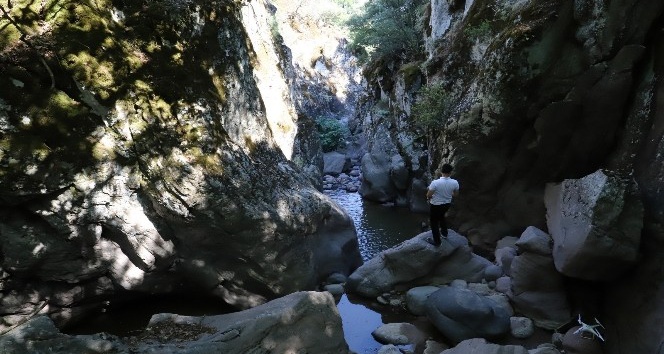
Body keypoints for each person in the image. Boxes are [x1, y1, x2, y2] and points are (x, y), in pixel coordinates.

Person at [426, 163, 459, 245]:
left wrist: (429, 199)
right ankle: (444, 234)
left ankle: (437, 242)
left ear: (441, 171)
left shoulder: (435, 182)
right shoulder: (455, 182)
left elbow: (429, 194)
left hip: (435, 205)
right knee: (441, 217)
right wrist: (448, 194)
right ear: (450, 172)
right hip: (447, 204)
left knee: (434, 222)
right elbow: (456, 194)